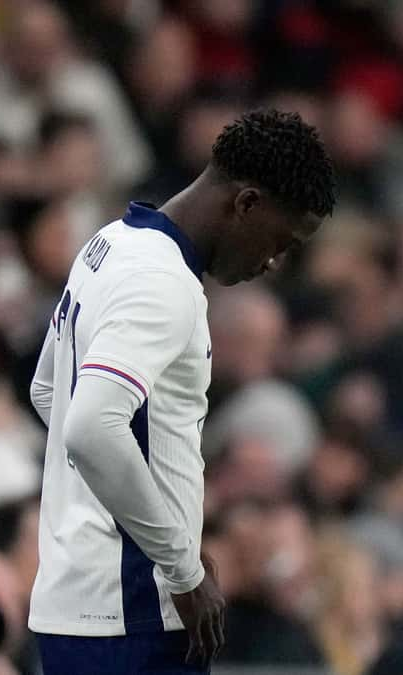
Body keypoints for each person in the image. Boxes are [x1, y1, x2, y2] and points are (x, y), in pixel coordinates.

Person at [26, 109, 336, 674]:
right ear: (246, 204)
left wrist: (145, 520)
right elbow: (91, 427)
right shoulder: (164, 282)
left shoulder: (110, 243)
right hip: (134, 615)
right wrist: (180, 565)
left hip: (77, 602)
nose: (272, 262)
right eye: (280, 240)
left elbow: (50, 392)